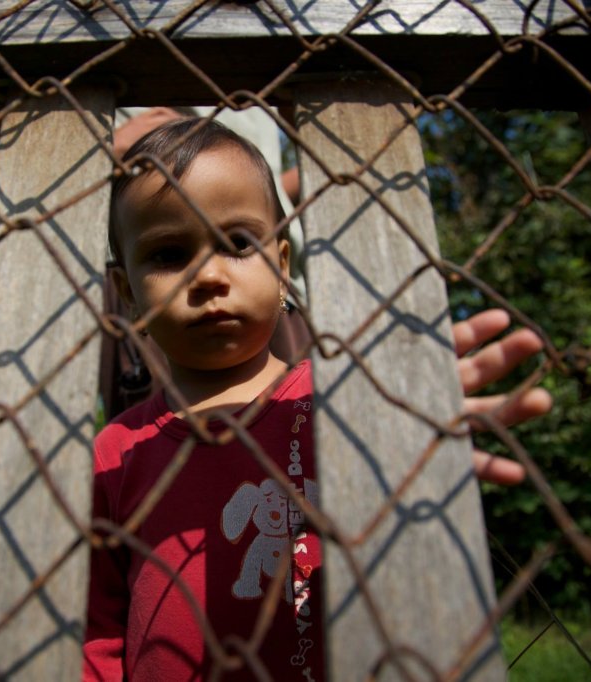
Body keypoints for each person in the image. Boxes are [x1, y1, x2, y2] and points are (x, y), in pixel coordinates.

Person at [83, 118, 550, 680]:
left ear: (282, 266)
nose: (207, 275)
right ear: (128, 292)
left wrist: (410, 440)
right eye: (168, 253)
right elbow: (97, 634)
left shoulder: (340, 406)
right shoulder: (116, 452)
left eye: (237, 243)